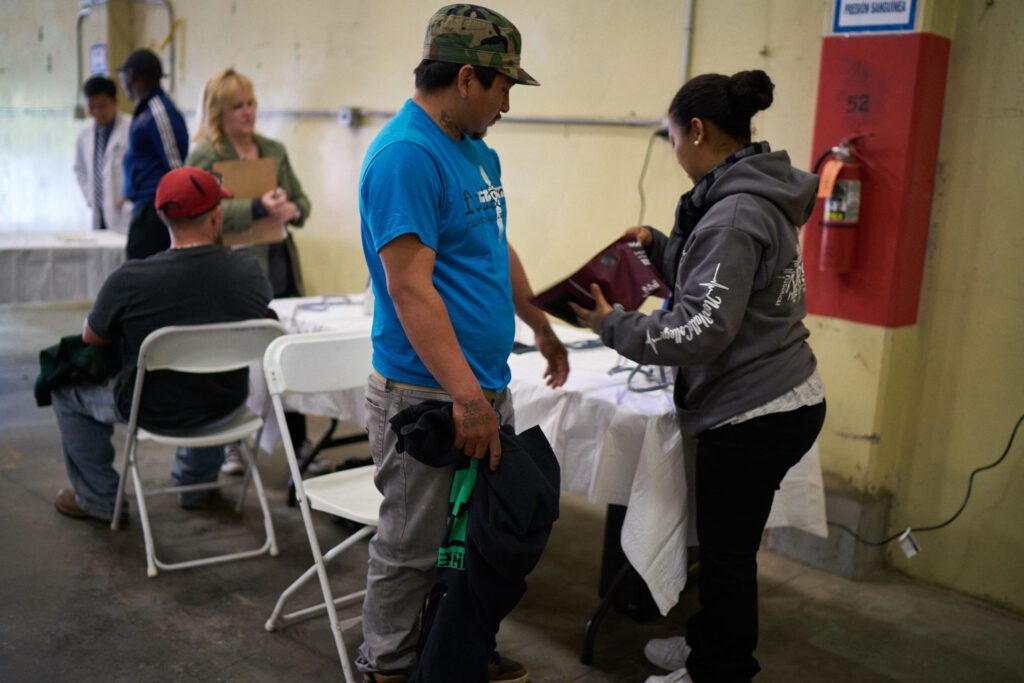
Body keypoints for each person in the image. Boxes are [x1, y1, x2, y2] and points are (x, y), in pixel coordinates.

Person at [570, 70, 827, 683]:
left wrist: (614, 325)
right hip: (780, 394)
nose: (675, 151)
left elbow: (701, 330)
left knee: (727, 555)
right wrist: (658, 245)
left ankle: (720, 668)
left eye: (673, 138)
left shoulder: (734, 212)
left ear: (698, 131)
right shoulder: (749, 193)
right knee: (722, 549)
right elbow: (725, 279)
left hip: (757, 410)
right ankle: (710, 640)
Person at [357, 5, 569, 682]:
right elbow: (410, 288)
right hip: (428, 389)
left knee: (478, 538)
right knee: (413, 542)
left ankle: (457, 646)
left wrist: (534, 318)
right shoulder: (405, 156)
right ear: (469, 78)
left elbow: (490, 242)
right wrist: (464, 394)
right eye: (505, 86)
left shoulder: (477, 150)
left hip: (479, 383)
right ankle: (386, 664)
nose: (507, 104)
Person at [50, 167, 273, 521]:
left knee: (64, 391)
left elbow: (91, 337)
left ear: (160, 216)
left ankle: (100, 499)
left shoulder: (129, 281)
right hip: (228, 403)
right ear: (217, 216)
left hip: (150, 409)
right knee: (206, 378)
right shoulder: (249, 272)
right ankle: (196, 486)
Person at [186, 67, 313, 476]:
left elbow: (302, 204)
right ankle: (232, 443)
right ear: (218, 112)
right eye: (237, 106)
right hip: (233, 269)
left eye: (251, 103)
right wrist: (257, 207)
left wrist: (289, 209)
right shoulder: (206, 157)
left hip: (277, 263)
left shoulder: (273, 149)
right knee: (236, 358)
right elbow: (204, 214)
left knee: (286, 352)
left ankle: (300, 445)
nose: (247, 113)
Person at [119, 48, 188, 260]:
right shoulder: (145, 110)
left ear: (131, 75)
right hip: (145, 209)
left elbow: (175, 165)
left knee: (143, 276)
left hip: (155, 212)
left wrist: (170, 213)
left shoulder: (158, 110)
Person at [73, 75, 133, 233]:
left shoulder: (131, 128)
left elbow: (139, 166)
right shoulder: (84, 134)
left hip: (124, 210)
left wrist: (130, 194)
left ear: (115, 102)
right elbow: (79, 169)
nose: (97, 111)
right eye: (91, 106)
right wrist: (90, 196)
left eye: (102, 105)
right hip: (97, 209)